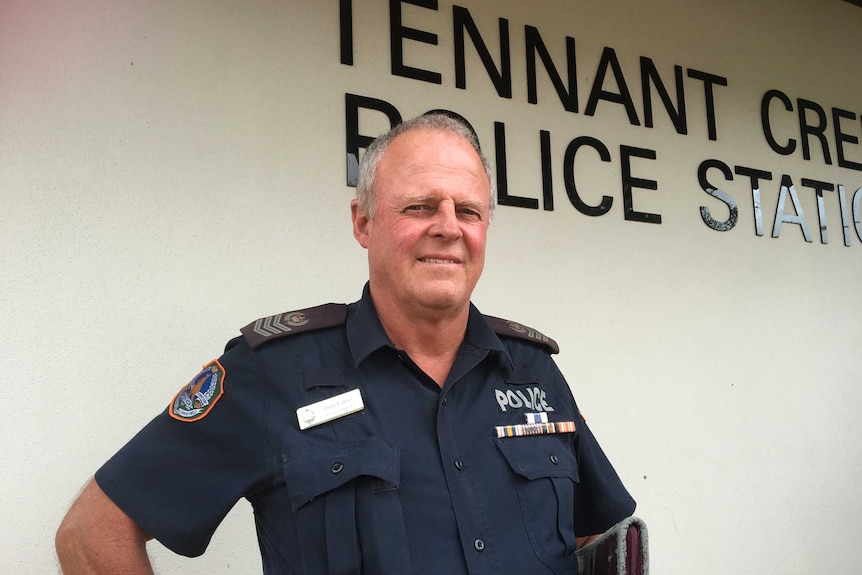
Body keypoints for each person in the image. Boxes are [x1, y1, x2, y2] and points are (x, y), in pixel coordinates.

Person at [55, 113, 635, 574]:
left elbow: (594, 541)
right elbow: (93, 534)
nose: (448, 227)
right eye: (419, 206)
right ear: (363, 223)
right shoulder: (275, 372)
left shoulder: (532, 372)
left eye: (468, 210)